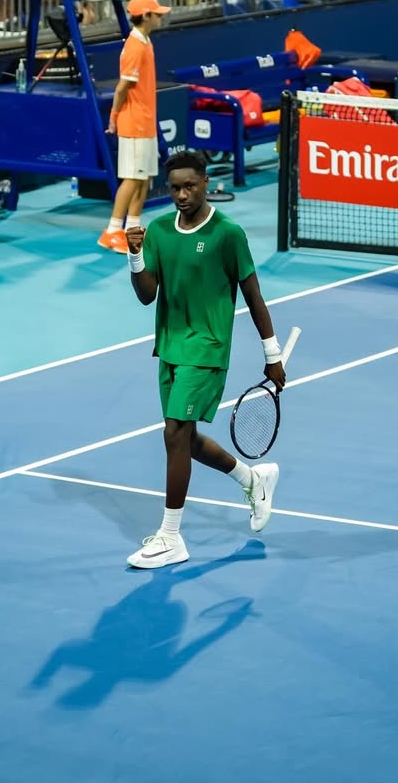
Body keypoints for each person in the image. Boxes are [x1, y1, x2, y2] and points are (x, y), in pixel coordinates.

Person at [124, 149, 285, 569]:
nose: (181, 194)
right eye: (175, 187)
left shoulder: (228, 234)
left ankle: (171, 537)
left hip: (208, 348)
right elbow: (146, 295)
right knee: (184, 439)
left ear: (205, 182)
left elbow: (253, 296)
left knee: (175, 433)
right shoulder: (158, 230)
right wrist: (135, 255)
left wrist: (273, 355)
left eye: (189, 186)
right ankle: (252, 479)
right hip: (170, 348)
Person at [97, 0, 169, 253]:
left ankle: (132, 229)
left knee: (143, 179)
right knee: (130, 178)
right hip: (134, 122)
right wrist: (114, 117)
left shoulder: (145, 42)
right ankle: (112, 231)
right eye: (157, 13)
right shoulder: (135, 47)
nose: (161, 17)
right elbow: (122, 88)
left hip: (146, 121)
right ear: (145, 17)